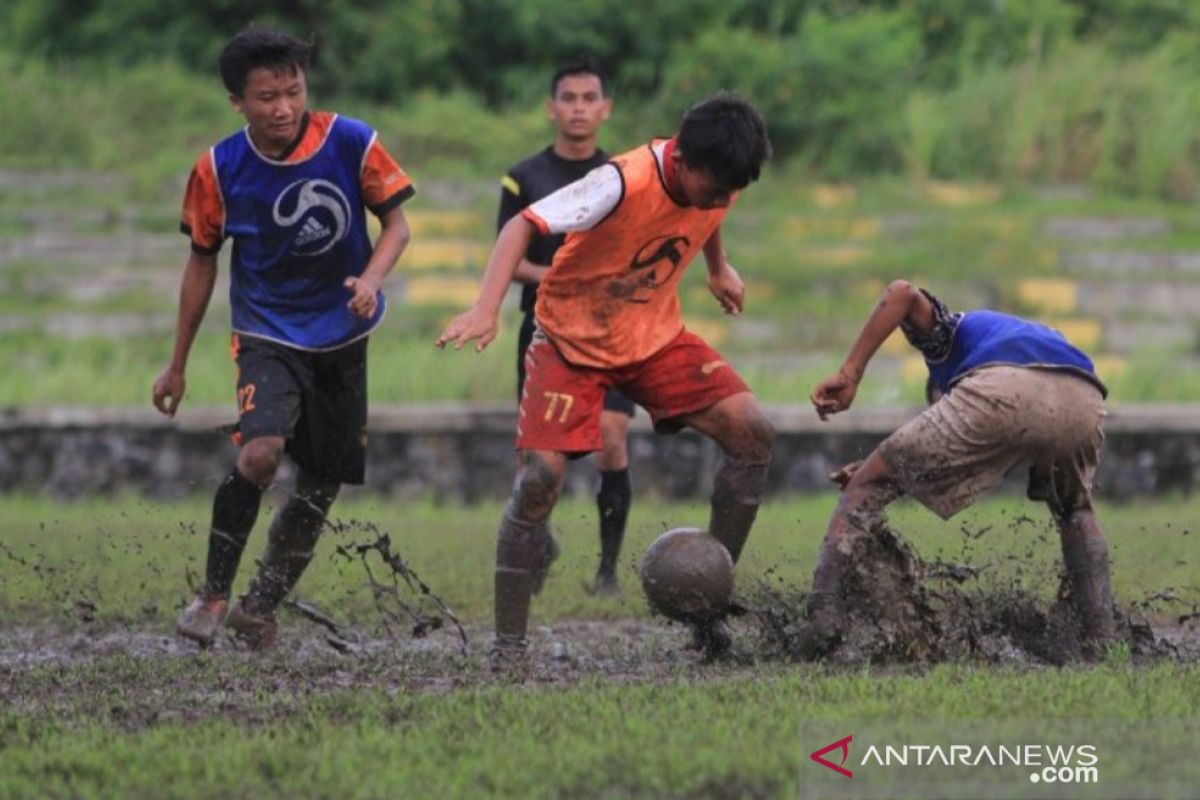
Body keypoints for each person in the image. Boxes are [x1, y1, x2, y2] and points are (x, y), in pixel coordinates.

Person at [438, 92, 775, 662]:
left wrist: (718, 268)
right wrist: (485, 308)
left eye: (730, 190)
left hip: (653, 338)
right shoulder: (619, 181)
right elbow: (522, 225)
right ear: (683, 160)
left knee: (753, 430)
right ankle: (509, 649)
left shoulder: (719, 179)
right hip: (570, 341)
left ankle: (711, 603)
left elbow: (709, 211)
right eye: (714, 186)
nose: (723, 198)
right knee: (541, 478)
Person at [152, 26, 415, 649]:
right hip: (266, 333)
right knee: (261, 454)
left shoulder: (352, 141)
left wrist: (373, 279)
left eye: (293, 91)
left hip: (345, 334)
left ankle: (260, 606)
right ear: (237, 101)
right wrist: (176, 365)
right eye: (267, 96)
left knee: (323, 482)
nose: (283, 108)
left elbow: (398, 226)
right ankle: (213, 595)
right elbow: (201, 261)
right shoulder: (218, 168)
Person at [804, 280, 1115, 656]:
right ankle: (1102, 636)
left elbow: (901, 292)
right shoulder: (1018, 333)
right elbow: (1018, 424)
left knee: (864, 490)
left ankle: (822, 623)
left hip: (1005, 386)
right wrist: (890, 468)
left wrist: (850, 374)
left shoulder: (947, 339)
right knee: (1075, 509)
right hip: (1083, 394)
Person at [497, 58, 635, 595]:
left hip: (611, 328)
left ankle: (606, 572)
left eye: (589, 98)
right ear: (552, 108)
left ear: (605, 108)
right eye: (569, 98)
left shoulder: (621, 174)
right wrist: (564, 276)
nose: (579, 108)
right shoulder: (524, 176)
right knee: (539, 457)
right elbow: (509, 256)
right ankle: (538, 541)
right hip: (545, 329)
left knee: (611, 436)